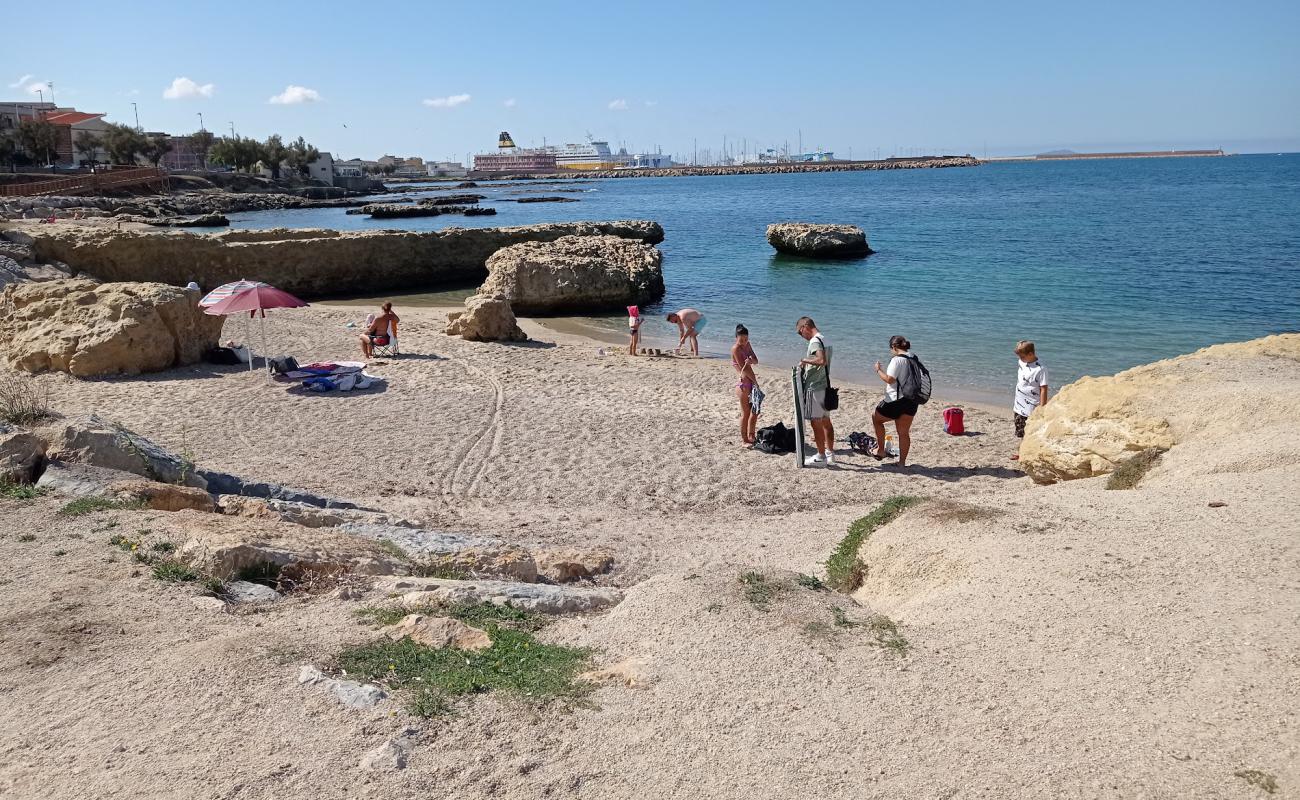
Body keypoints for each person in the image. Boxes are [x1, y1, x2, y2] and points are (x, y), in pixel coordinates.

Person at [870, 335, 920, 469]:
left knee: (876, 418)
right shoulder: (913, 357)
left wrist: (878, 370)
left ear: (894, 347)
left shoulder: (897, 360)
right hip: (911, 400)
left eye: (891, 349)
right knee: (903, 432)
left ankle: (881, 450)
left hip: (895, 400)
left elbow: (890, 379)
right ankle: (902, 462)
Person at [795, 316, 835, 466]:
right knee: (826, 421)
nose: (802, 336)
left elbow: (821, 360)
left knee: (815, 422)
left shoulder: (815, 341)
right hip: (825, 385)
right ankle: (830, 454)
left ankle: (821, 455)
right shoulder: (826, 339)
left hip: (815, 387)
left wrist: (805, 360)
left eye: (800, 332)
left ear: (805, 326)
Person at [1011, 340, 1050, 460]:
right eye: (1019, 357)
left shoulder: (1041, 369)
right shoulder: (1021, 362)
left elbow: (1043, 388)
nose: (1020, 359)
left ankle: (1025, 453)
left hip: (1031, 406)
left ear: (1031, 354)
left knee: (1029, 431)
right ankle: (1022, 452)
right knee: (1021, 431)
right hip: (1018, 404)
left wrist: (1042, 408)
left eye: (1023, 357)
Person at [731, 324, 760, 445]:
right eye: (741, 340)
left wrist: (751, 360)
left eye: (746, 339)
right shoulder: (735, 349)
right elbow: (745, 369)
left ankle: (751, 435)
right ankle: (744, 439)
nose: (744, 342)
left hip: (751, 383)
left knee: (755, 411)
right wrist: (755, 382)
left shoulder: (747, 344)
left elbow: (756, 360)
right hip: (744, 385)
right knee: (745, 413)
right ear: (736, 338)